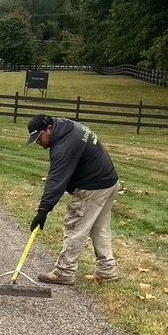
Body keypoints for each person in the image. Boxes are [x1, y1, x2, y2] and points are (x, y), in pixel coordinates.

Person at [26, 113, 120, 285]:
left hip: (93, 188)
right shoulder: (67, 127)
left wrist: (43, 210)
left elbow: (56, 181)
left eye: (39, 137)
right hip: (109, 182)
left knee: (75, 226)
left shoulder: (64, 146)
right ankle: (107, 271)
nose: (39, 143)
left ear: (49, 128)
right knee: (99, 228)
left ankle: (64, 271)